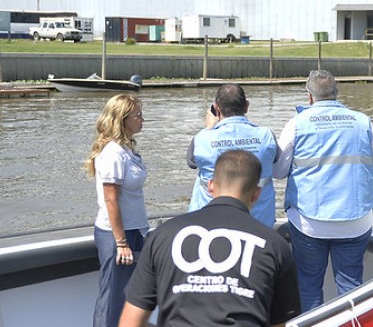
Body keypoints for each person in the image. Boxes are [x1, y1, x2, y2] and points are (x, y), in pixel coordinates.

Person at [120, 149, 301, 327]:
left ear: (210, 186)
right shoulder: (274, 246)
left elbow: (130, 323)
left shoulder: (164, 235)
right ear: (256, 194)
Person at [272, 69, 373, 310]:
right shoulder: (362, 121)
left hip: (309, 222)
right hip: (355, 220)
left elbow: (278, 171)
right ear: (337, 94)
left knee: (308, 283)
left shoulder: (297, 124)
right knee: (351, 283)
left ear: (309, 97)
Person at [84, 93, 150, 327]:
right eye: (138, 115)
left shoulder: (127, 150)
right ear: (122, 120)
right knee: (112, 299)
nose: (143, 119)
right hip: (118, 236)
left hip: (134, 231)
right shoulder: (112, 153)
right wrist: (121, 243)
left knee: (129, 298)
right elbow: (111, 201)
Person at [186, 83, 280, 227]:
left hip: (212, 224)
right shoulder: (266, 136)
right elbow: (276, 158)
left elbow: (192, 162)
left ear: (216, 108)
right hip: (259, 224)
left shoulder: (202, 138)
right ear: (246, 106)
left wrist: (209, 128)